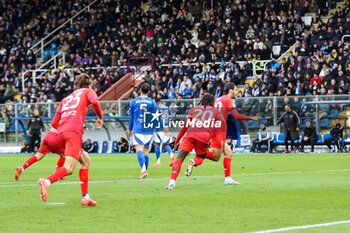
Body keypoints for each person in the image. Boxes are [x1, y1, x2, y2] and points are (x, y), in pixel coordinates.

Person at [38, 73, 103, 206]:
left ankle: (85, 197)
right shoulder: (88, 91)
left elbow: (54, 122)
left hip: (61, 133)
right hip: (73, 133)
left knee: (85, 161)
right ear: (89, 84)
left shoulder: (66, 98)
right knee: (69, 168)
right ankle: (47, 182)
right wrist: (100, 117)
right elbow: (95, 101)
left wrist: (65, 129)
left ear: (76, 86)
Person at [186, 82, 260, 185]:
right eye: (235, 89)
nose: (236, 92)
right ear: (230, 90)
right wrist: (251, 118)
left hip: (212, 126)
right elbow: (236, 116)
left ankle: (227, 178)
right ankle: (197, 155)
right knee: (216, 157)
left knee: (228, 153)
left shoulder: (218, 99)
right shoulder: (228, 100)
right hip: (219, 129)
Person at [165, 94, 225, 190]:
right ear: (212, 102)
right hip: (203, 136)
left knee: (180, 158)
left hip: (190, 134)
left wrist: (177, 141)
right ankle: (193, 161)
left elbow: (185, 127)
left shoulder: (193, 110)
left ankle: (172, 182)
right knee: (201, 156)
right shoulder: (216, 112)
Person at [126, 83, 157, 179]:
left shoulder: (134, 102)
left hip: (138, 128)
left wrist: (130, 129)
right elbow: (154, 116)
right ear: (149, 91)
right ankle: (144, 170)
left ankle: (143, 170)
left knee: (139, 149)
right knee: (146, 151)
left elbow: (132, 117)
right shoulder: (152, 102)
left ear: (140, 90)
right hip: (148, 129)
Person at [153, 99, 174, 167]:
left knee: (157, 144)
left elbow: (157, 118)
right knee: (166, 145)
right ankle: (171, 156)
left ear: (156, 103)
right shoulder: (167, 108)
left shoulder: (156, 108)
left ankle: (158, 162)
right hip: (167, 127)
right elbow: (170, 118)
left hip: (160, 128)